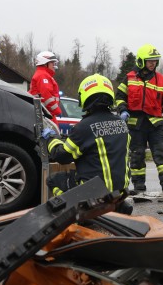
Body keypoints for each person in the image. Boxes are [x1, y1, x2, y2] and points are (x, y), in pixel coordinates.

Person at [42, 74, 132, 214]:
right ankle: (117, 205)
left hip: (94, 194)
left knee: (53, 180)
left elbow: (62, 156)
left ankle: (76, 212)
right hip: (120, 190)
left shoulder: (84, 127)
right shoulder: (121, 123)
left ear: (85, 97)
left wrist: (50, 139)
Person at [115, 44, 163, 191]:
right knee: (137, 155)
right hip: (135, 125)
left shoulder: (161, 80)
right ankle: (138, 184)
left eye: (155, 60)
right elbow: (119, 97)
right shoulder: (129, 78)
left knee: (162, 153)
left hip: (155, 125)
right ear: (141, 61)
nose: (153, 63)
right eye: (150, 60)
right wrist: (123, 110)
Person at [29, 51, 62, 118]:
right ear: (45, 63)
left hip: (46, 113)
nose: (54, 65)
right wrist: (56, 110)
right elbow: (46, 95)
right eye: (52, 63)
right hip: (45, 114)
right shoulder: (42, 75)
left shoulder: (43, 75)